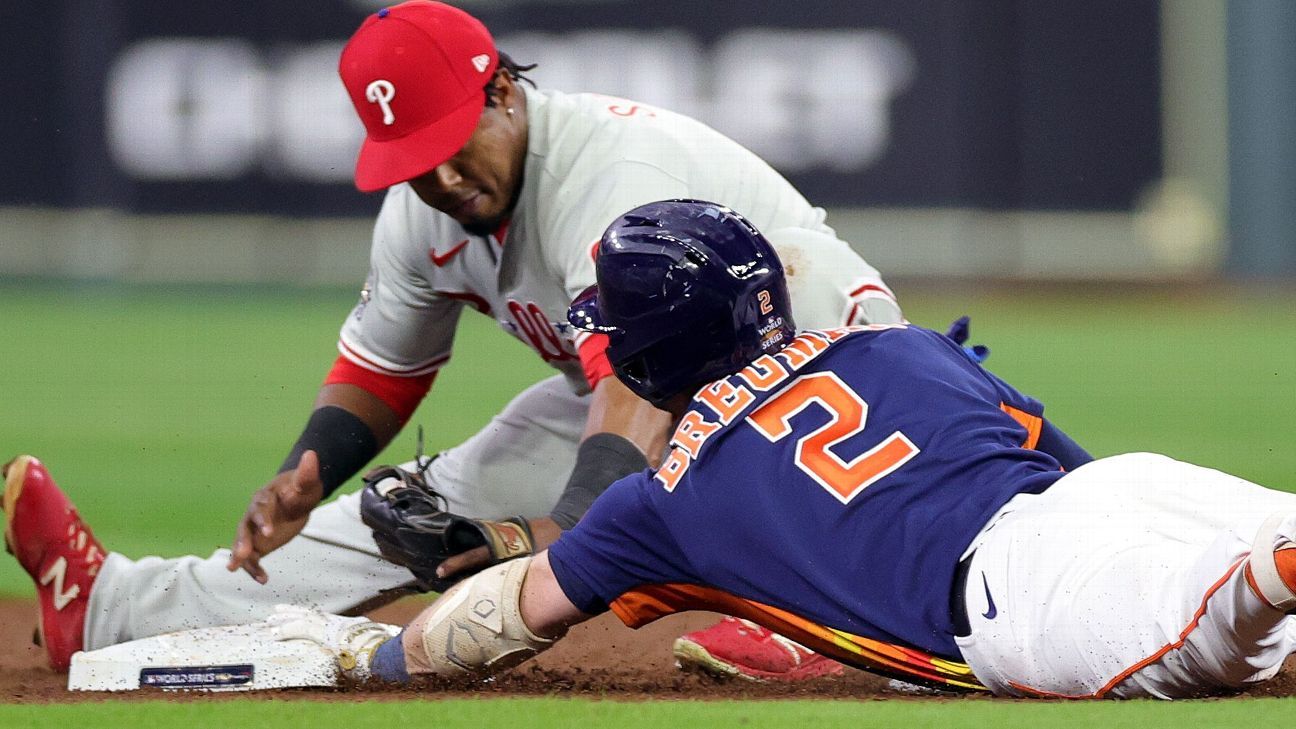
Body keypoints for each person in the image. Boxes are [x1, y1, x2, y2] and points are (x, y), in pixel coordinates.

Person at [0, 0, 904, 680]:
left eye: (451, 138)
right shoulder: (421, 214)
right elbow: (381, 365)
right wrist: (310, 462)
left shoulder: (609, 176)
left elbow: (634, 393)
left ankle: (809, 620)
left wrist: (557, 533)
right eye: (411, 156)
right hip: (646, 384)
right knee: (417, 512)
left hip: (817, 369)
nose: (439, 174)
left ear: (504, 91)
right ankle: (116, 603)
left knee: (610, 496)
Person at [267, 199, 1296, 699]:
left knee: (1221, 622)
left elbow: (503, 617)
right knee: (1255, 544)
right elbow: (1069, 474)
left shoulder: (663, 499)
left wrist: (387, 657)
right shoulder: (896, 343)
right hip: (1120, 495)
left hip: (1020, 594)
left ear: (651, 348)